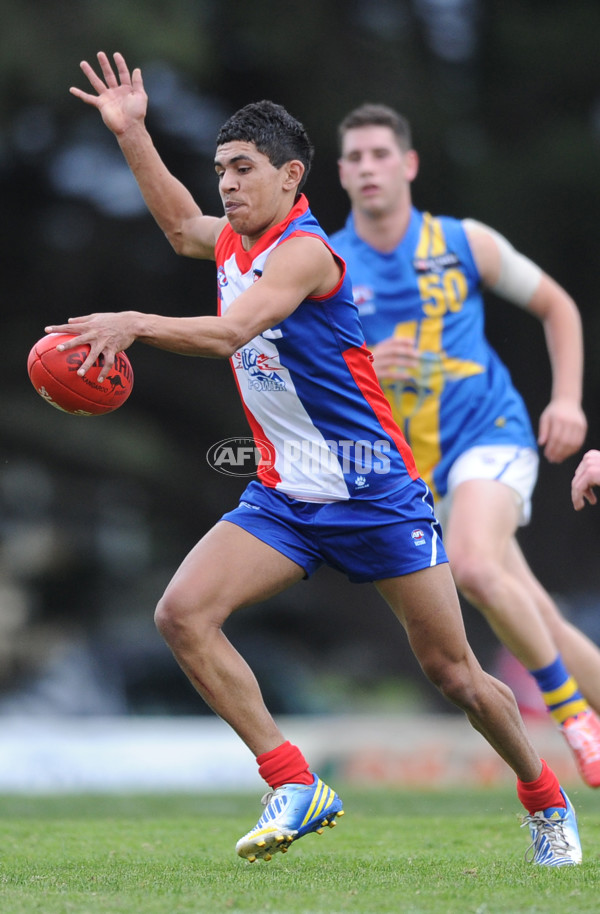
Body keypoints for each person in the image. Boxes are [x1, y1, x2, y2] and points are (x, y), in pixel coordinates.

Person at [48, 51, 582, 867]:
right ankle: (293, 780)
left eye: (244, 169)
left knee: (458, 676)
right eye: (221, 169)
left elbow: (231, 332)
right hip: (285, 498)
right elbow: (178, 227)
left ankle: (546, 802)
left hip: (376, 495)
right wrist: (131, 133)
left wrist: (132, 320)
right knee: (181, 615)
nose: (227, 184)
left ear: (292, 176)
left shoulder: (305, 253)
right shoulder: (231, 239)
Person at [331, 103, 600, 789]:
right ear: (339, 173)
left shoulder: (463, 242)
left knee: (477, 571)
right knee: (535, 613)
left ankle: (571, 718)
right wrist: (361, 368)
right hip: (418, 473)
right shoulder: (324, 265)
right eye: (355, 157)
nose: (368, 167)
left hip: (493, 435)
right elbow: (309, 380)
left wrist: (566, 400)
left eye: (380, 154)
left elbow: (558, 306)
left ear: (409, 164)